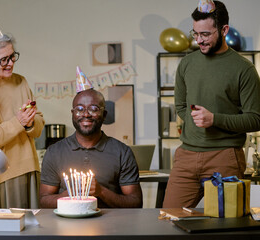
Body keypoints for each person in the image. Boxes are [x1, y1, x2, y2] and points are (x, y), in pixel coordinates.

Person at [163, 0, 260, 208]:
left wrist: (214, 119)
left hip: (225, 157)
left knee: (225, 228)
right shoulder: (187, 64)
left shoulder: (244, 69)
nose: (199, 40)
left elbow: (255, 119)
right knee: (168, 220)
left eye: (205, 34)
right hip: (186, 157)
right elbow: (181, 106)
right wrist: (196, 122)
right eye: (195, 33)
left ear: (224, 30)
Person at [0, 13, 45, 209]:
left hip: (31, 167)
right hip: (2, 173)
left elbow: (39, 125)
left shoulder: (20, 81)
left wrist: (31, 123)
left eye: (12, 57)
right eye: (4, 59)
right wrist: (18, 122)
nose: (10, 63)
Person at [40, 88, 142, 208]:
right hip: (67, 224)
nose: (86, 114)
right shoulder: (54, 152)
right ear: (72, 114)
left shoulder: (122, 152)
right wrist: (69, 195)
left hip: (111, 224)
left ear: (104, 115)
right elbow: (43, 201)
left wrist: (101, 192)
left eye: (93, 109)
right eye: (79, 109)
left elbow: (136, 202)